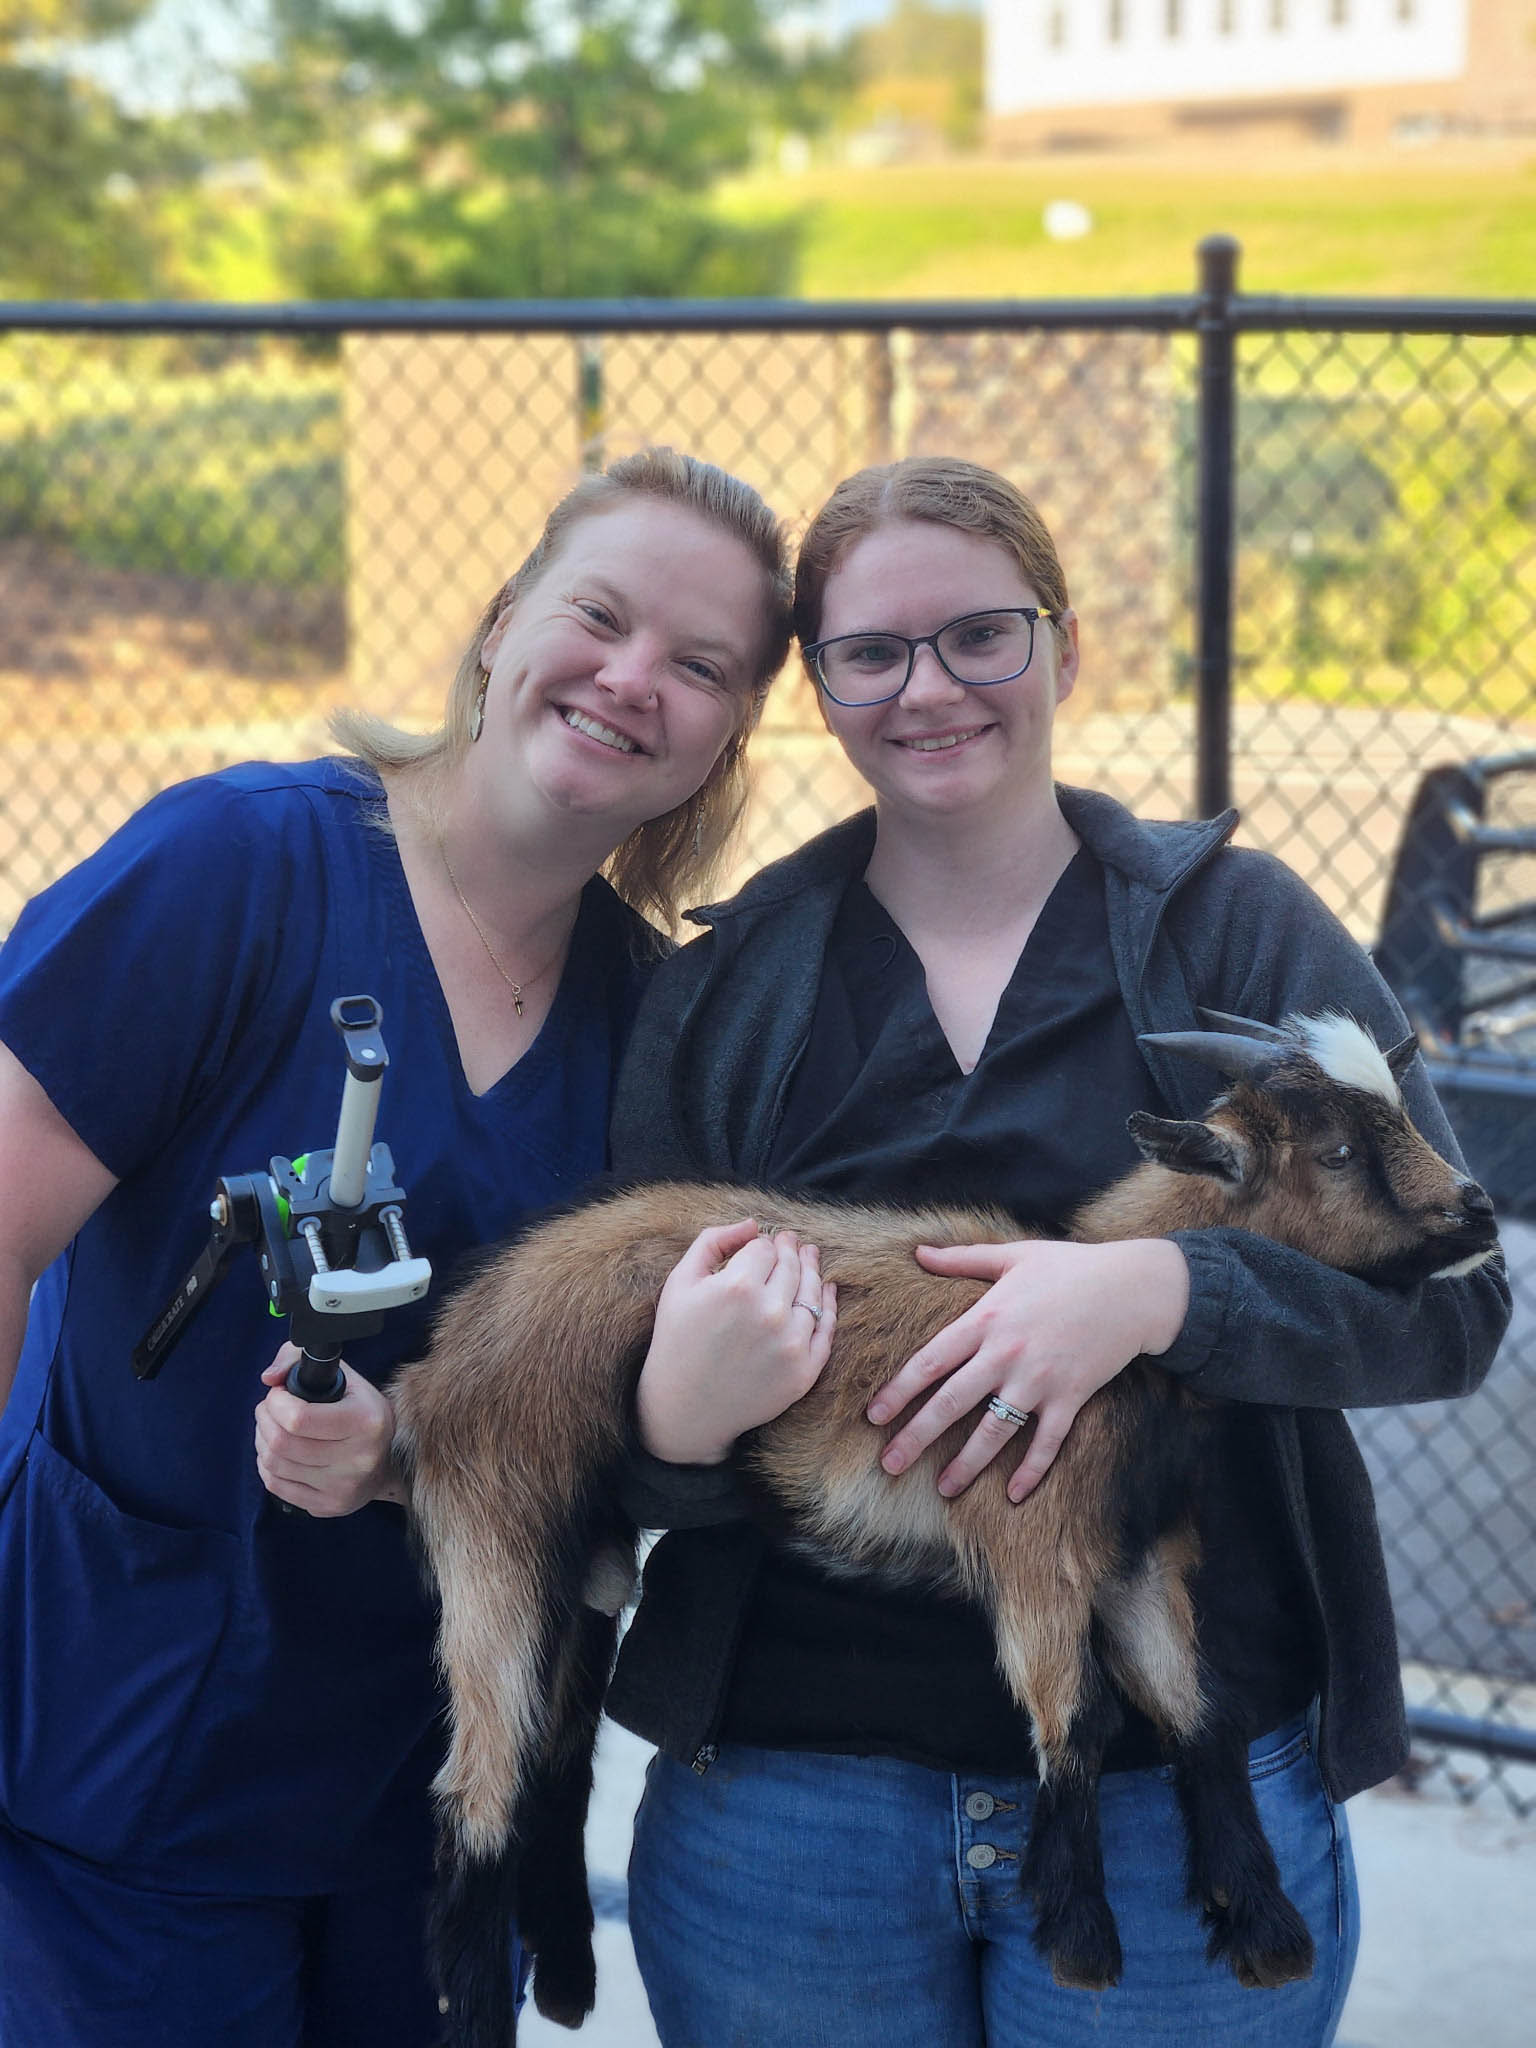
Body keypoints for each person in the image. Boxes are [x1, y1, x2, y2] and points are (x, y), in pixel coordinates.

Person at [602, 456, 1512, 2048]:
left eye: (981, 636)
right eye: (869, 652)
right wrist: (668, 1423)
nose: (928, 687)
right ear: (818, 686)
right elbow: (616, 1421)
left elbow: (1459, 1311)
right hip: (795, 1799)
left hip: (1184, 1802)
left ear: (1067, 649)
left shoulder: (1241, 933)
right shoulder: (732, 987)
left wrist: (1171, 1290)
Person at [0, 448, 792, 2048]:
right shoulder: (234, 870)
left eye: (702, 667)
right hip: (129, 1746)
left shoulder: (655, 1031)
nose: (634, 680)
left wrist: (410, 1457)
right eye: (603, 615)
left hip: (434, 1792)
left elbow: (609, 1443)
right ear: (503, 625)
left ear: (724, 738)